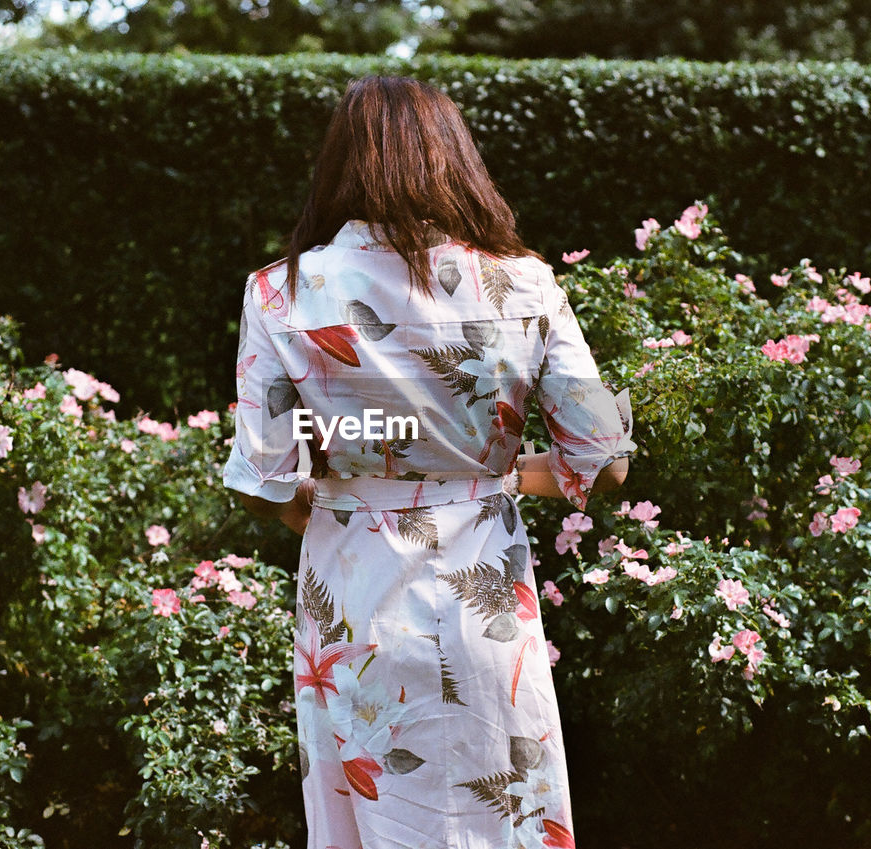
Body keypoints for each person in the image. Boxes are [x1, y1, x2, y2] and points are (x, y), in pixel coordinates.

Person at [223, 75, 634, 849]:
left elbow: (263, 479)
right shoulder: (527, 284)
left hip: (351, 604)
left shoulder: (280, 293)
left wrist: (337, 500)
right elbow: (603, 465)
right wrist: (490, 475)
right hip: (485, 606)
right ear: (454, 159)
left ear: (340, 164)